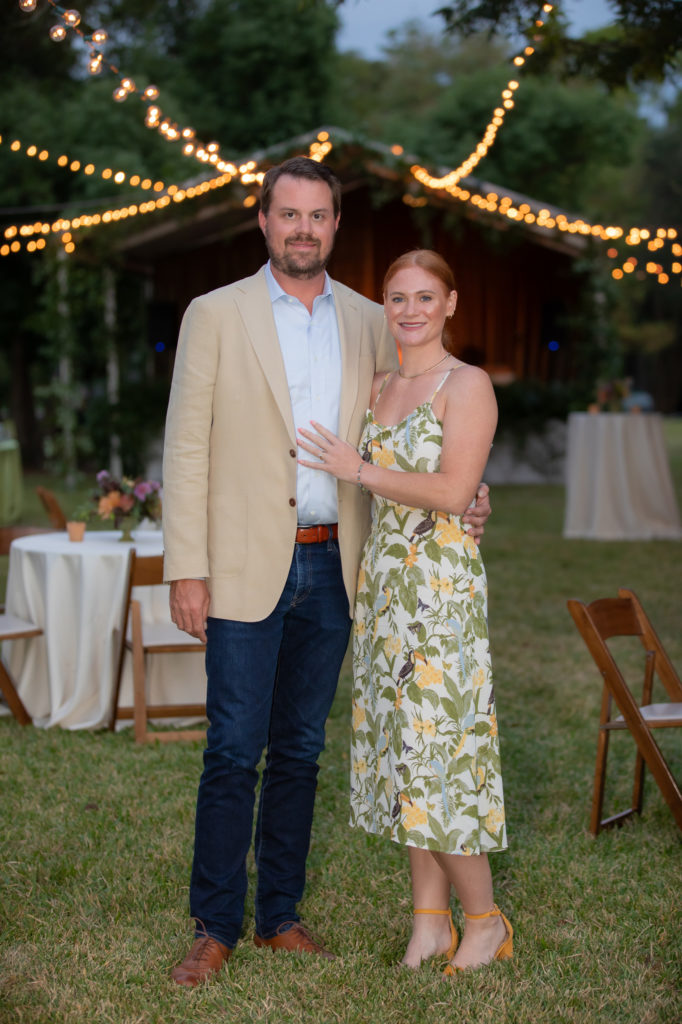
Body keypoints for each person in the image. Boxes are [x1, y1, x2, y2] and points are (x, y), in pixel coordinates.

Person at [162, 160, 492, 987]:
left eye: (318, 216)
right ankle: (215, 924)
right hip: (241, 561)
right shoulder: (215, 314)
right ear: (264, 222)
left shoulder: (371, 319)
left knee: (302, 749)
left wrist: (471, 493)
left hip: (339, 563)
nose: (303, 228)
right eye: (288, 215)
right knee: (235, 749)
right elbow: (187, 446)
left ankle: (280, 915)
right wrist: (186, 568)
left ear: (335, 226)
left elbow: (419, 407)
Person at [297, 249, 510, 975]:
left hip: (439, 589)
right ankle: (430, 921)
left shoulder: (467, 383)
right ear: (384, 306)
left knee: (437, 755)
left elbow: (454, 492)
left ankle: (485, 920)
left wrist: (360, 470)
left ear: (451, 304)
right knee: (401, 756)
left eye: (426, 296)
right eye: (397, 297)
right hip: (384, 585)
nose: (410, 310)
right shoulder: (381, 384)